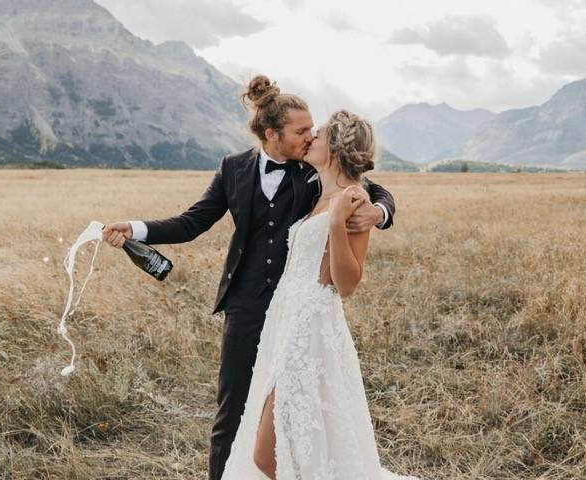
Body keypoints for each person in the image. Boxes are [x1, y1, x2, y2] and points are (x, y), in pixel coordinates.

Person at [102, 76, 397, 480]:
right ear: (271, 134)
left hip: (299, 311)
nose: (309, 137)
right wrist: (135, 228)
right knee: (233, 411)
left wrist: (379, 213)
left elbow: (366, 184)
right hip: (245, 307)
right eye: (300, 131)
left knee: (294, 416)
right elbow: (191, 222)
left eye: (313, 130)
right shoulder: (233, 168)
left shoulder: (310, 170)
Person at [219, 110, 418, 479]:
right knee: (286, 444)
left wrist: (339, 222)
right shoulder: (315, 191)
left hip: (309, 330)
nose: (310, 138)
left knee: (268, 454)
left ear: (338, 148)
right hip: (283, 322)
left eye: (320, 134)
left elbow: (347, 284)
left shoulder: (354, 201)